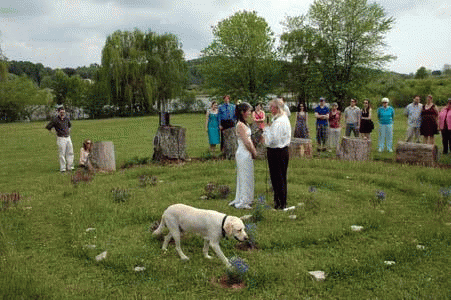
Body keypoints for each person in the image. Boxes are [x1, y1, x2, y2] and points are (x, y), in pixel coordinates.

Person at [261, 98, 291, 210]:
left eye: (271, 107)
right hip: (280, 150)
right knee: (279, 177)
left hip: (277, 151)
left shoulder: (279, 122)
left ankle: (280, 203)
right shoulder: (280, 118)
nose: (270, 109)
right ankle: (279, 201)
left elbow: (273, 140)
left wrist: (265, 132)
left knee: (278, 178)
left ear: (277, 108)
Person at [229, 102, 257, 209]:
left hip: (246, 152)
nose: (250, 113)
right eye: (248, 111)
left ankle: (248, 198)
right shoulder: (240, 125)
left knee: (248, 175)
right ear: (242, 112)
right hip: (243, 153)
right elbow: (247, 142)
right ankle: (243, 200)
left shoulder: (245, 124)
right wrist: (254, 152)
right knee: (244, 175)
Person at [45, 106, 74, 172]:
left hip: (68, 137)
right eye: (61, 112)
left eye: (63, 112)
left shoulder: (67, 119)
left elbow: (69, 126)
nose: (62, 113)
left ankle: (70, 167)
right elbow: (48, 127)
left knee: (70, 152)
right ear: (58, 112)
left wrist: (68, 132)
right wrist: (55, 133)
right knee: (62, 154)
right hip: (61, 138)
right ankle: (63, 168)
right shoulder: (55, 120)